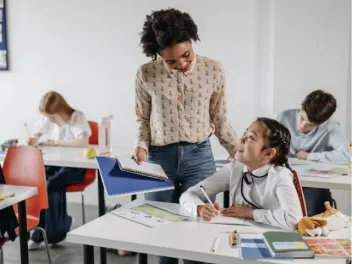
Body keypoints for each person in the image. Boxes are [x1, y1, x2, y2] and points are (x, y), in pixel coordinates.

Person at [133, 8, 237, 264]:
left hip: (199, 157)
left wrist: (239, 150)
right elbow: (143, 119)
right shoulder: (146, 74)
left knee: (198, 232)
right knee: (163, 233)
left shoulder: (214, 70)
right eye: (171, 61)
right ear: (157, 54)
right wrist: (141, 146)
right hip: (158, 159)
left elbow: (220, 118)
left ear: (192, 41)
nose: (181, 64)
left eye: (186, 55)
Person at [180, 118, 303, 230]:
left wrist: (249, 213)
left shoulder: (280, 176)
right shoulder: (235, 168)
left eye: (251, 137)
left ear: (268, 154)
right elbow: (189, 194)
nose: (241, 139)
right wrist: (199, 207)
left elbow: (293, 219)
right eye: (245, 133)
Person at [27, 91, 91, 250]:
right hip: (57, 164)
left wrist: (55, 142)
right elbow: (37, 133)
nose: (50, 121)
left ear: (61, 110)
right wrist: (34, 139)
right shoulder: (48, 118)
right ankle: (52, 228)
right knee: (40, 182)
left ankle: (50, 232)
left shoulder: (77, 117)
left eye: (53, 117)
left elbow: (83, 142)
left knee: (51, 184)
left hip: (76, 167)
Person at [274, 90, 349, 216]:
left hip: (312, 183)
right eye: (302, 118)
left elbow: (346, 156)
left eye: (310, 125)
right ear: (301, 106)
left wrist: (309, 156)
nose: (302, 126)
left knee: (310, 212)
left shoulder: (331, 126)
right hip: (282, 177)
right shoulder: (282, 117)